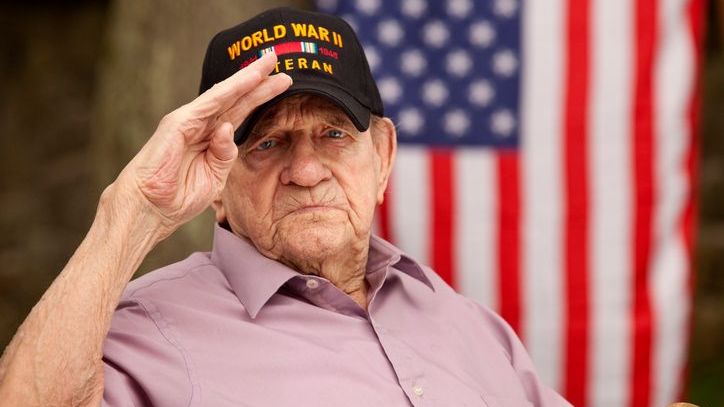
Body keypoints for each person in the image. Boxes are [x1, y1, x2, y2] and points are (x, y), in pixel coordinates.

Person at [0, 7, 571, 407]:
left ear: (383, 156)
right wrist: (131, 211)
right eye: (267, 143)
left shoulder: (468, 325)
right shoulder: (148, 332)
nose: (305, 171)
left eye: (334, 136)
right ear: (217, 182)